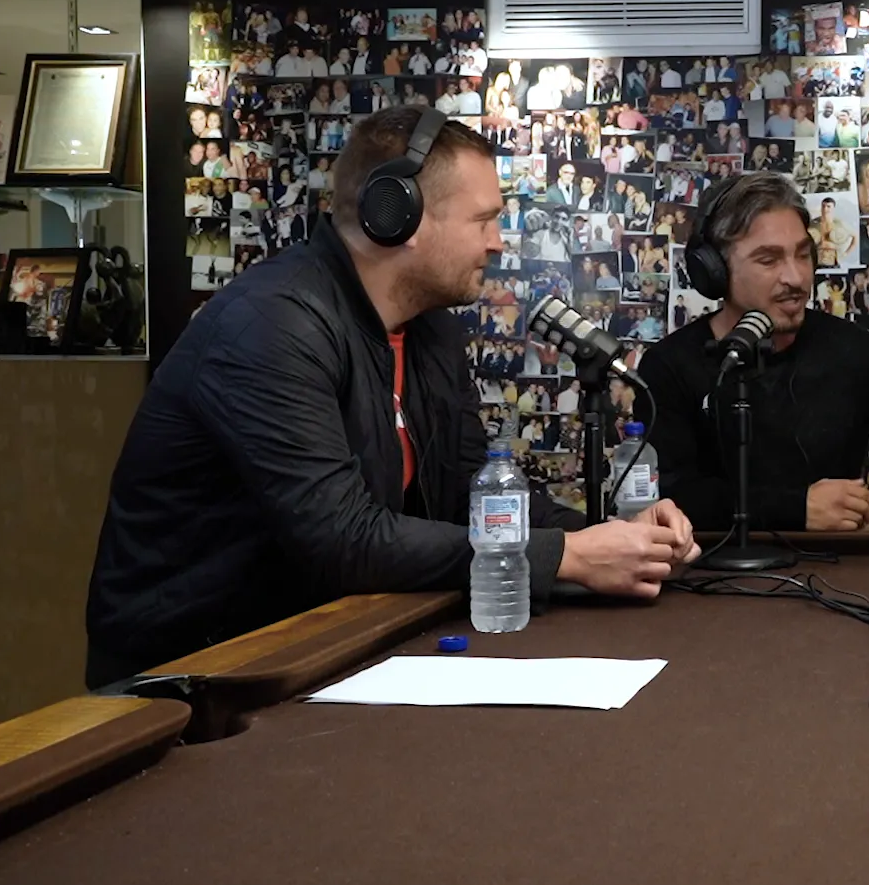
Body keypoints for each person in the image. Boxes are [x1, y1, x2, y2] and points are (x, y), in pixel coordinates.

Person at [84, 106, 700, 687]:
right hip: (196, 677)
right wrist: (567, 555)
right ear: (396, 214)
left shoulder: (429, 326)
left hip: (326, 643)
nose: (497, 244)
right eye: (483, 221)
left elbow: (466, 489)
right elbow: (342, 539)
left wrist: (617, 537)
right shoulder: (269, 327)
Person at [641, 173, 869, 532]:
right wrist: (795, 508)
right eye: (769, 260)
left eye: (803, 254)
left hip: (835, 579)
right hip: (708, 577)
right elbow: (667, 494)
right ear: (714, 271)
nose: (796, 277)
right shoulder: (669, 367)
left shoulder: (853, 350)